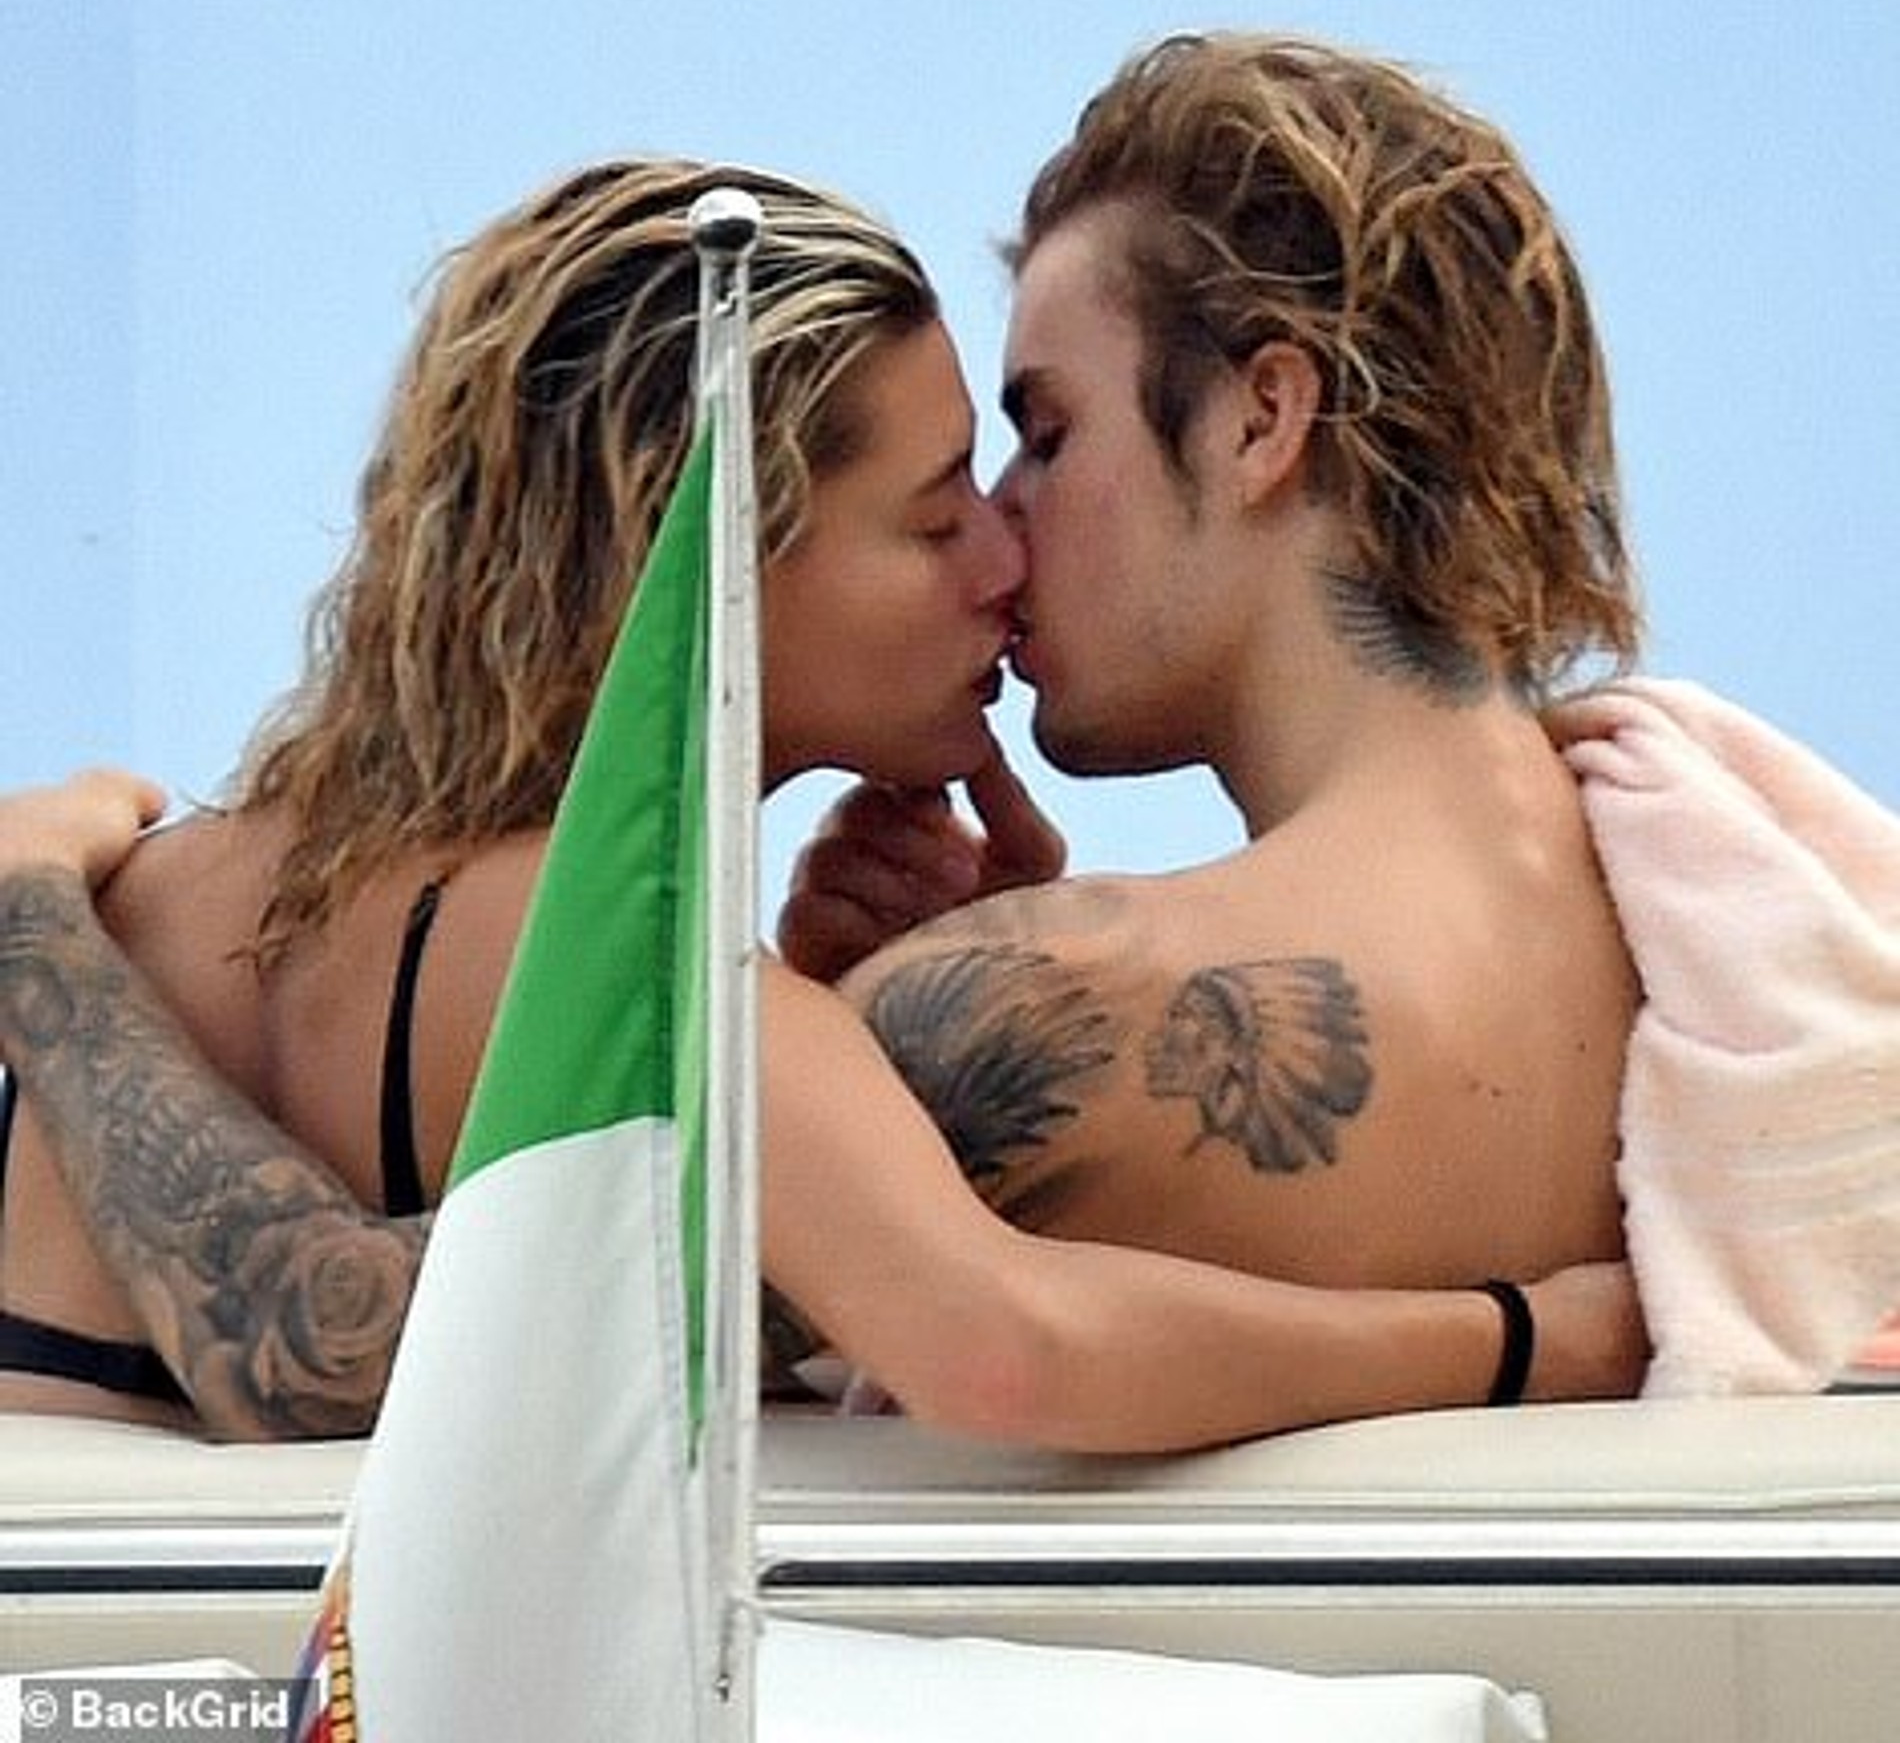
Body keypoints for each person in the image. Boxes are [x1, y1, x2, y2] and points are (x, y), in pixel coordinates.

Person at [0, 153, 1646, 1444]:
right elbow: (1002, 1346)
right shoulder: (664, 990)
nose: (1003, 556)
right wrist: (1522, 1340)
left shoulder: (138, 896)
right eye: (937, 517)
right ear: (715, 556)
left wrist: (39, 929)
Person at [780, 32, 1644, 1307]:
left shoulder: (1042, 1004)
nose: (1001, 524)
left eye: (1048, 435)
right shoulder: (1748, 980)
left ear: (1259, 420)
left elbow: (540, 1323)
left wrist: (831, 1032)